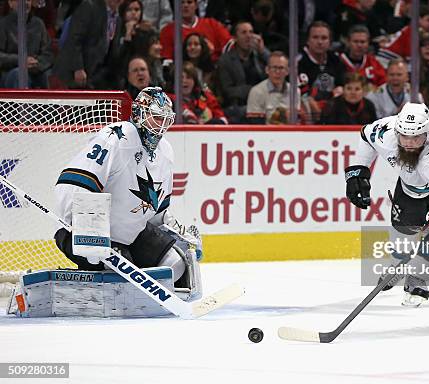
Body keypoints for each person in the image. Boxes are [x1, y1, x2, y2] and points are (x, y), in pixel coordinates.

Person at [54, 87, 202, 297]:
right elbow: (73, 183)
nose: (160, 127)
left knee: (176, 265)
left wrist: (177, 235)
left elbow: (157, 212)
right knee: (123, 281)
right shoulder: (115, 137)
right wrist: (88, 235)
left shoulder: (166, 152)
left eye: (165, 120)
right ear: (139, 114)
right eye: (156, 118)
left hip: (131, 235)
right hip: (83, 233)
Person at [344, 102, 429, 306]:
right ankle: (397, 265)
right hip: (408, 190)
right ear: (396, 130)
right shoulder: (385, 132)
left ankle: (417, 277)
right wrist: (358, 172)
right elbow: (365, 135)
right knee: (403, 230)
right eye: (404, 136)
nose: (409, 143)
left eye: (416, 137)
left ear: (427, 133)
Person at [216, 21, 268, 123]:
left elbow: (279, 68)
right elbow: (228, 92)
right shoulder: (225, 60)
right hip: (238, 107)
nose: (249, 36)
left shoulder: (259, 56)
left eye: (251, 32)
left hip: (263, 104)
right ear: (235, 38)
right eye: (244, 32)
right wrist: (254, 91)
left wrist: (263, 52)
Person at [298, 21, 346, 123]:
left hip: (332, 108)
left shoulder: (336, 60)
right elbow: (302, 93)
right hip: (308, 113)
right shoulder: (299, 62)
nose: (320, 42)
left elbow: (342, 85)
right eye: (315, 37)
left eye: (324, 38)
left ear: (330, 42)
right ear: (307, 40)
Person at [0, 0, 53, 88]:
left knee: (46, 75)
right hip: (11, 71)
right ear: (10, 3)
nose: (25, 3)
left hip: (35, 70)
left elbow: (48, 54)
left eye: (28, 0)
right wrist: (20, 61)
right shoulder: (3, 25)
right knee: (19, 75)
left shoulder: (39, 24)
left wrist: (36, 63)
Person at [159, 0, 231, 63]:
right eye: (181, 2)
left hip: (214, 71)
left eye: (189, 2)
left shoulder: (212, 24)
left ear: (196, 5)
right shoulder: (167, 31)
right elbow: (167, 60)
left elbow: (229, 45)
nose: (185, 5)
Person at [246, 51, 299, 124]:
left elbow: (296, 122)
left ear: (287, 71)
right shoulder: (256, 92)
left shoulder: (295, 91)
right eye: (274, 67)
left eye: (281, 68)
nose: (277, 72)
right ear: (267, 70)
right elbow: (255, 125)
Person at [339, 24, 386, 89]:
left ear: (368, 43)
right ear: (348, 42)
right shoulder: (337, 61)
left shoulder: (374, 63)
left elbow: (383, 85)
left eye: (363, 42)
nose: (359, 45)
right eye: (355, 41)